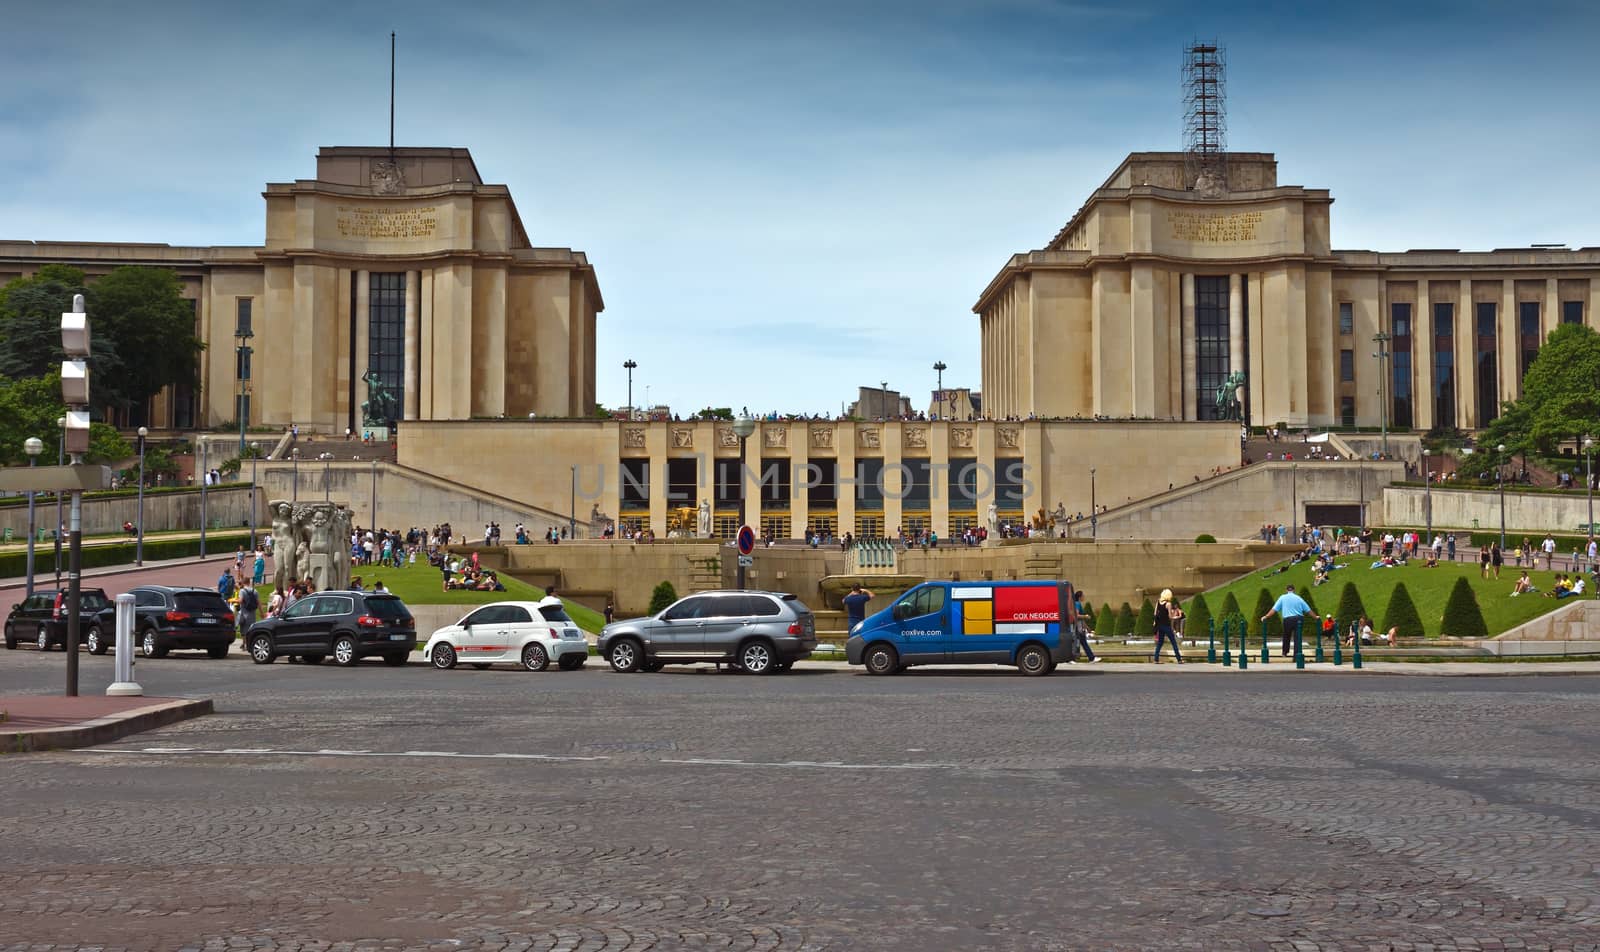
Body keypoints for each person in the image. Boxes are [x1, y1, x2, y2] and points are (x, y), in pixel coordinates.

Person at [1260, 583, 1313, 658]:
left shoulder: (1282, 597)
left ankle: (1285, 652)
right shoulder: (1298, 598)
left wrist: (1266, 616)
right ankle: (1297, 655)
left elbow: (1274, 609)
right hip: (1298, 619)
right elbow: (1308, 610)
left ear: (1286, 590)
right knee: (1297, 638)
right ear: (1294, 590)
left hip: (1287, 619)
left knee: (1286, 636)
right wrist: (1315, 617)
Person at [1069, 590, 1099, 663]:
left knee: (1079, 642)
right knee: (1078, 642)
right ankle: (1091, 658)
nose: (1084, 597)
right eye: (1083, 596)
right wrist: (1086, 616)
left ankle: (1090, 658)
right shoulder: (1077, 604)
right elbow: (1076, 616)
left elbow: (1080, 619)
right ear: (1080, 597)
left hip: (1079, 626)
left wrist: (1087, 628)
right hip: (1078, 627)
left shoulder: (1076, 603)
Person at [1152, 589, 1182, 663]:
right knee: (1173, 642)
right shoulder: (1168, 604)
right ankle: (1179, 659)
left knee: (1160, 642)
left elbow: (1155, 614)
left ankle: (1156, 659)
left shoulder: (1158, 602)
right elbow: (1170, 616)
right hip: (1166, 625)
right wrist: (1175, 617)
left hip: (1160, 625)